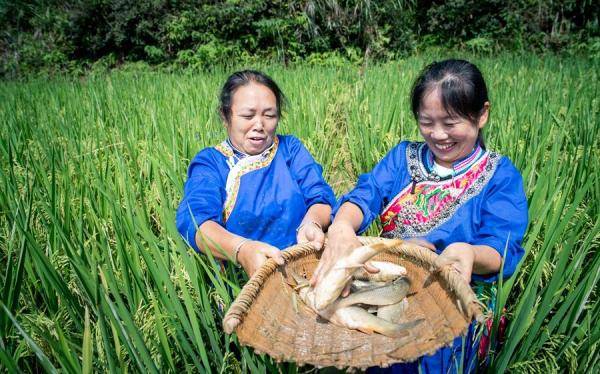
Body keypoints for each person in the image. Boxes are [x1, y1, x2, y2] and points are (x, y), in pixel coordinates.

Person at [312, 59, 528, 373]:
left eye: (451, 122)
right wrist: (343, 225)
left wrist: (468, 253)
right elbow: (366, 193)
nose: (438, 134)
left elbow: (501, 248)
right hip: (391, 286)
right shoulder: (403, 158)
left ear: (482, 114)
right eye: (427, 121)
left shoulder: (499, 176)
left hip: (456, 301)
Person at [176, 70, 336, 277]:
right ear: (226, 117)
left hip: (303, 271)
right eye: (247, 116)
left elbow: (321, 198)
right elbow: (196, 223)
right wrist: (242, 250)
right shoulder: (211, 163)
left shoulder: (290, 150)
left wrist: (311, 223)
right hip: (243, 282)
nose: (259, 125)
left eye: (269, 115)